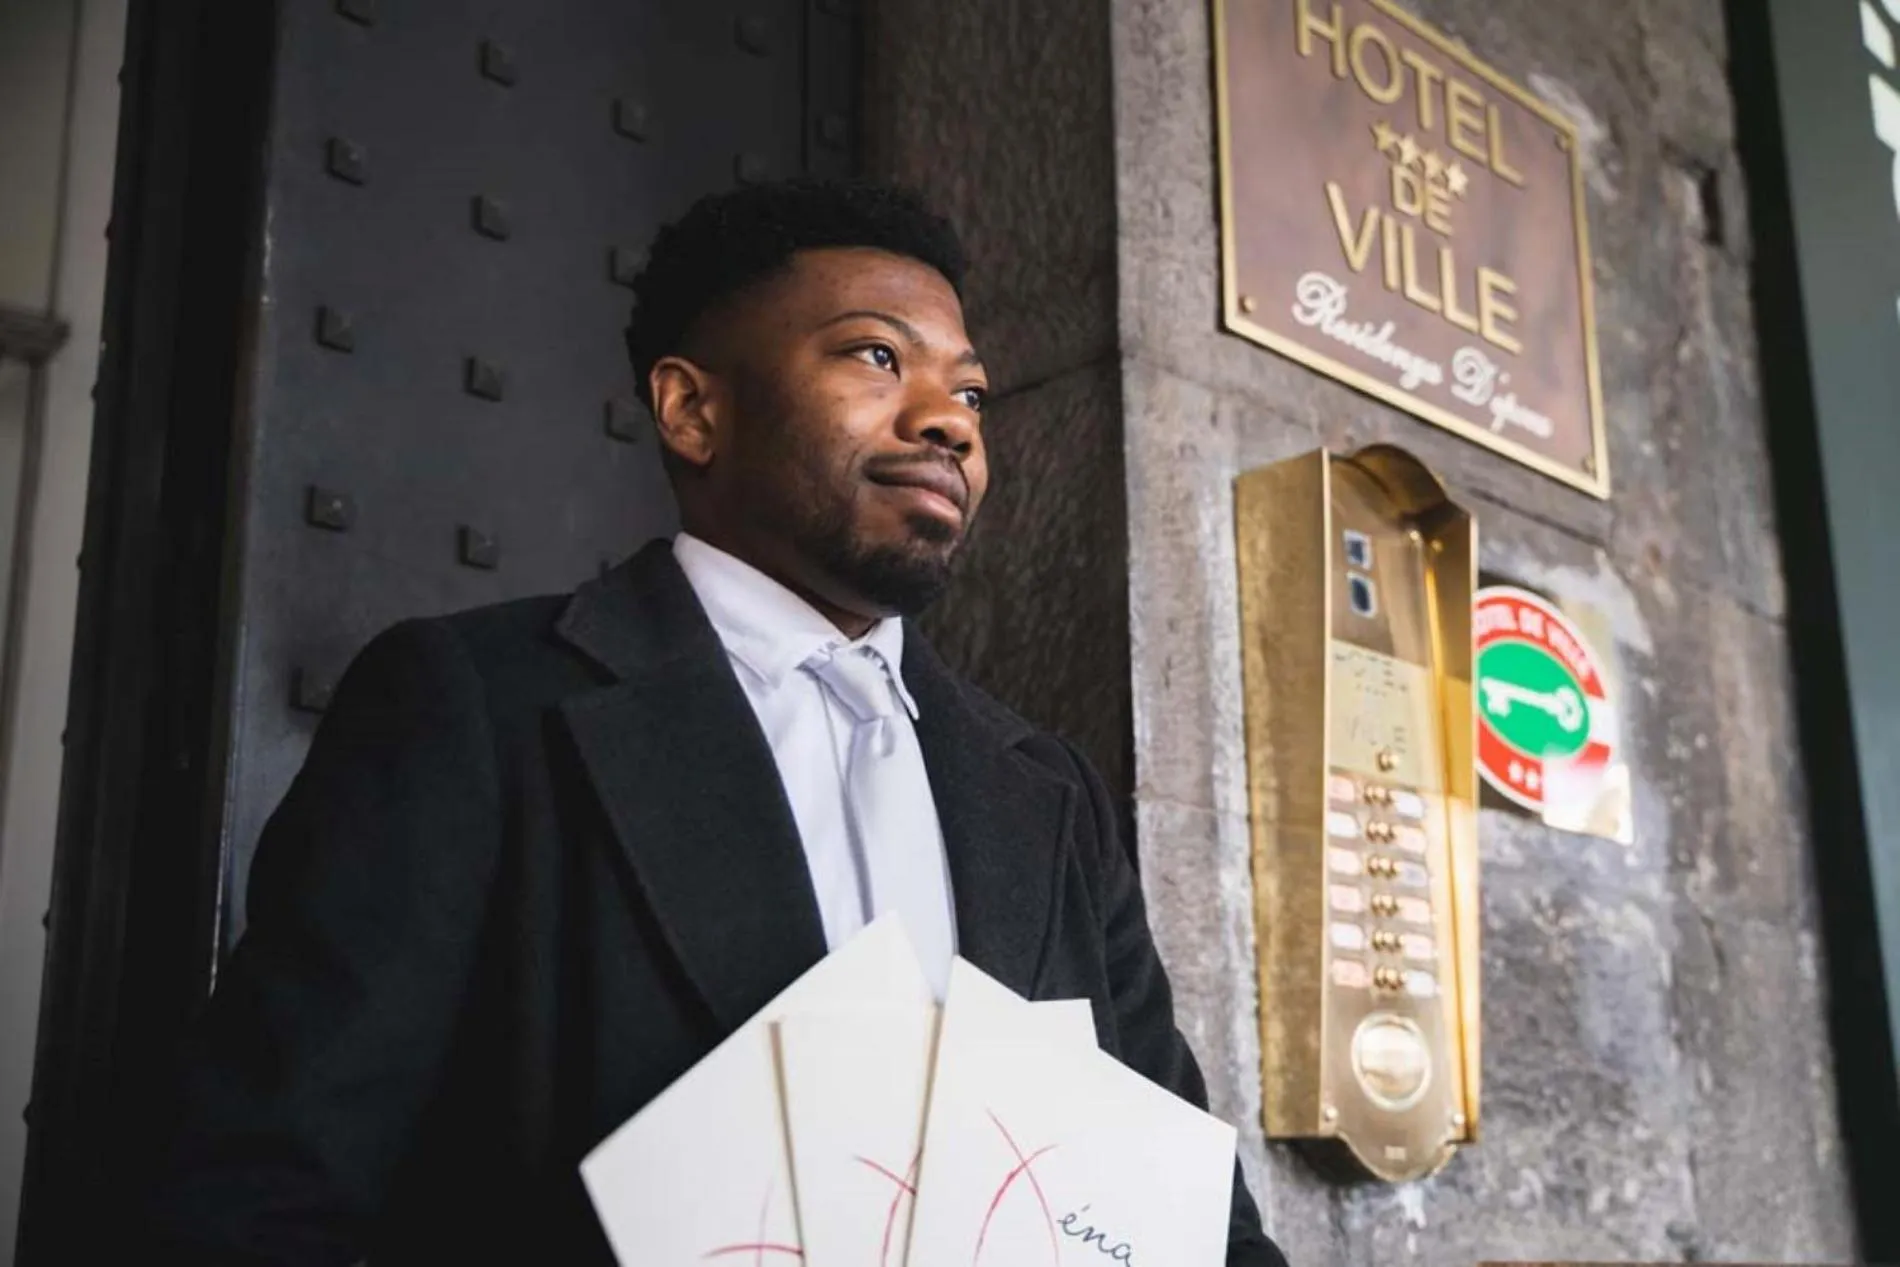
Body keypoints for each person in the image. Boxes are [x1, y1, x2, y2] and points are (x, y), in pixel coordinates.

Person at [141, 178, 1289, 1266]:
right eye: (877, 357)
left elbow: (1186, 1208)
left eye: (973, 392)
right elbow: (257, 1193)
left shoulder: (1049, 792)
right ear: (693, 408)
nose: (949, 421)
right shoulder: (474, 707)